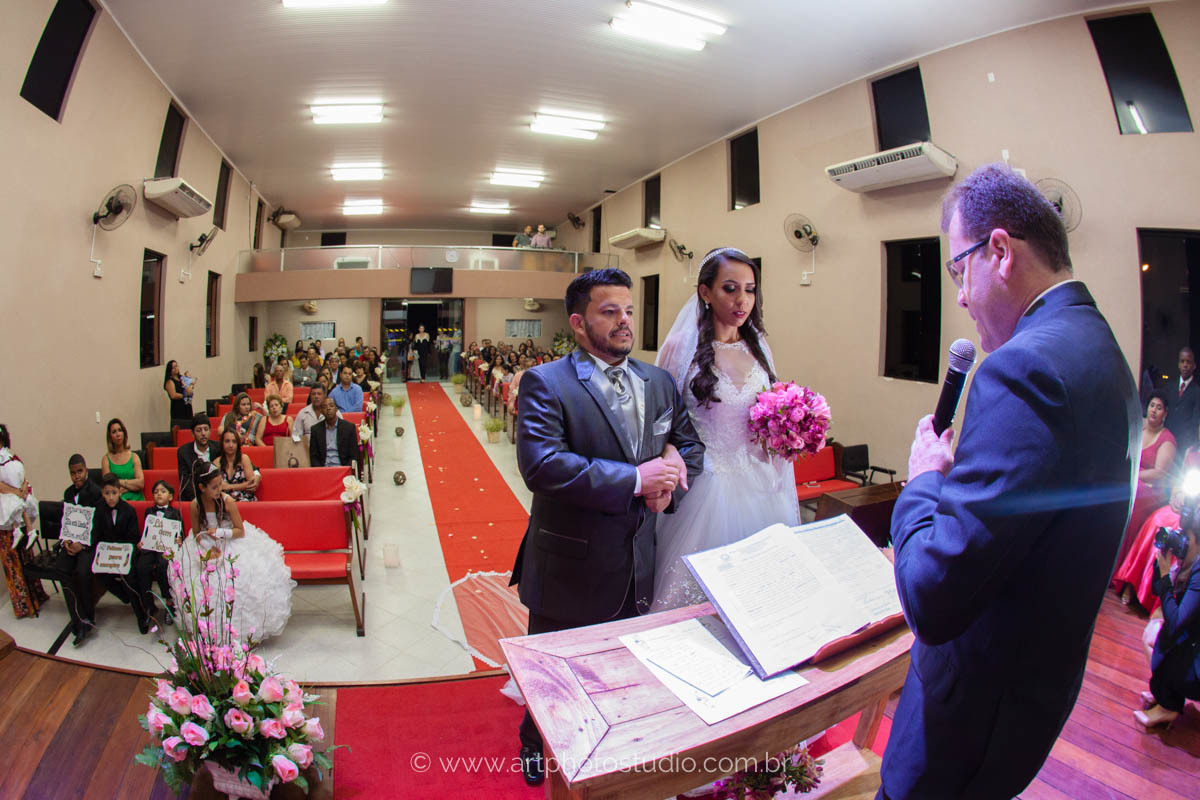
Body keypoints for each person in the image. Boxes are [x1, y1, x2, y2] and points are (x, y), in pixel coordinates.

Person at [879, 164, 1140, 800]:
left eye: (955, 272)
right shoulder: (1099, 348)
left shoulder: (1024, 368)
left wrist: (921, 484)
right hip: (1028, 699)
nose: (961, 298)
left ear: (998, 252)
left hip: (970, 713)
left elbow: (934, 597)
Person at [509, 268, 705, 785]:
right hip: (570, 560)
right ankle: (537, 740)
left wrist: (673, 478)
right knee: (555, 669)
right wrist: (635, 479)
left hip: (638, 554)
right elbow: (543, 466)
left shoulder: (658, 381)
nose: (624, 321)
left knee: (618, 665)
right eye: (609, 311)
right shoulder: (545, 383)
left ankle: (610, 741)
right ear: (578, 322)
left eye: (629, 310)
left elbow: (690, 446)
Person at [650, 248, 799, 611]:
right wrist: (667, 451)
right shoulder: (679, 348)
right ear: (705, 292)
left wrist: (789, 425)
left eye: (749, 289)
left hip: (761, 481)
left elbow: (770, 405)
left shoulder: (758, 344)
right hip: (707, 485)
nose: (742, 300)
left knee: (763, 596)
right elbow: (659, 419)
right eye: (730, 288)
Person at [172, 462, 294, 641]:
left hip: (230, 539)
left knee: (241, 579)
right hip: (207, 543)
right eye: (214, 487)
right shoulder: (195, 505)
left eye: (220, 484)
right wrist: (207, 547)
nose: (219, 489)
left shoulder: (227, 502)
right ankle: (210, 629)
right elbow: (197, 532)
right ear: (202, 488)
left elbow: (240, 530)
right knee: (199, 582)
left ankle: (239, 630)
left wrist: (221, 533)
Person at [1134, 504, 1200, 729]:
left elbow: (1177, 622)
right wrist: (1161, 562)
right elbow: (1156, 590)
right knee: (1153, 636)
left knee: (1165, 639)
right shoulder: (1191, 564)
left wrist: (1164, 575)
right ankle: (1166, 693)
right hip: (1192, 645)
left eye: (1186, 539)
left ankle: (1168, 705)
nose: (1181, 543)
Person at [1113, 446, 1200, 613]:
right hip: (1186, 509)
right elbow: (1179, 482)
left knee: (1185, 534)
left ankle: (1165, 601)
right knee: (1158, 520)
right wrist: (1178, 495)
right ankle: (1133, 583)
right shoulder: (1192, 452)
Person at [1113, 391, 1177, 571]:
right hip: (1133, 481)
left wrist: (1134, 474)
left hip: (1152, 491)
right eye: (1152, 406)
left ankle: (1121, 566)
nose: (1154, 411)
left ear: (1165, 414)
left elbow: (1159, 473)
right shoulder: (1138, 428)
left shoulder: (1167, 439)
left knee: (1133, 492)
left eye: (1159, 408)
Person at [93, 474, 152, 634]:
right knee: (98, 572)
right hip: (107, 553)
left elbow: (133, 539)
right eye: (107, 493)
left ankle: (141, 615)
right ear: (102, 493)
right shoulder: (98, 509)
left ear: (120, 491)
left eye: (113, 493)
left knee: (130, 577)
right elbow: (96, 536)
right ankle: (123, 594)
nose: (110, 497)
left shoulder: (129, 510)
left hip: (126, 552)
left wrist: (120, 554)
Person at [0, 425, 45, 618]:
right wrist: (18, 493)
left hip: (16, 507)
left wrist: (22, 490)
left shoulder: (9, 457)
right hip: (8, 512)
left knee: (23, 557)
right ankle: (26, 601)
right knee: (13, 560)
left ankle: (32, 598)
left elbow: (22, 479)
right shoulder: (7, 459)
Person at [135, 479, 182, 624]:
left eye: (162, 491)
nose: (159, 494)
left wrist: (179, 540)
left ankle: (169, 603)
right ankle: (149, 605)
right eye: (155, 492)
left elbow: (181, 533)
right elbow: (146, 532)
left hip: (165, 549)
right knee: (141, 567)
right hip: (150, 548)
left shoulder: (175, 512)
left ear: (170, 496)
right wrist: (141, 542)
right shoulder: (149, 512)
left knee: (163, 566)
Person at [176, 413, 221, 502]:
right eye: (199, 430)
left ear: (210, 431)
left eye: (206, 429)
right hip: (194, 497)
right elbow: (185, 482)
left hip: (217, 495)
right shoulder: (183, 452)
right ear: (193, 434)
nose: (203, 433)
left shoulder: (219, 448)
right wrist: (201, 500)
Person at [1165, 347, 1200, 459]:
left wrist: (1190, 445)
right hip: (1167, 442)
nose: (1185, 365)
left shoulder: (1197, 391)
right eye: (1182, 361)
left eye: (1188, 362)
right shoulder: (1169, 388)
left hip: (1184, 446)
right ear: (1178, 364)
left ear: (1194, 366)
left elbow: (1195, 421)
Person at [100, 418, 145, 501]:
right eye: (114, 432)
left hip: (136, 499)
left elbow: (141, 483)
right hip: (117, 500)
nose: (118, 434)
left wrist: (119, 482)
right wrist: (130, 485)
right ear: (110, 437)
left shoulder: (134, 457)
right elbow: (109, 486)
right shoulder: (106, 459)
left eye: (120, 430)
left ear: (124, 433)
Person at [309, 397, 357, 468]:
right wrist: (320, 471)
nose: (328, 408)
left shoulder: (349, 428)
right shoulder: (315, 430)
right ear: (321, 411)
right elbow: (313, 456)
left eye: (331, 406)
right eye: (325, 407)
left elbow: (354, 455)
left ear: (336, 409)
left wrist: (345, 470)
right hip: (323, 470)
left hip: (343, 468)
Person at [218, 427, 260, 502]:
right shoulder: (217, 462)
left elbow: (251, 485)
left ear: (238, 444)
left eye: (234, 442)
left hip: (245, 499)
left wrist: (228, 487)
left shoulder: (244, 459)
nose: (231, 445)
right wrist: (241, 486)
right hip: (225, 502)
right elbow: (217, 487)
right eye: (227, 441)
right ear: (222, 443)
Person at [163, 360, 194, 425]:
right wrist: (184, 395)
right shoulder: (170, 381)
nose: (176, 368)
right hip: (178, 407)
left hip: (187, 404)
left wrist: (190, 387)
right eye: (173, 367)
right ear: (170, 370)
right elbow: (173, 395)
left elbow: (188, 388)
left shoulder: (181, 378)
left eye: (176, 366)